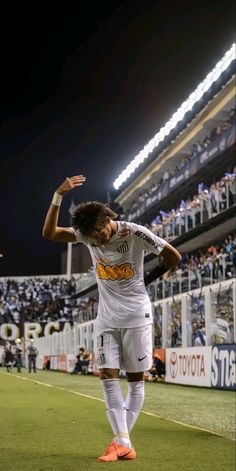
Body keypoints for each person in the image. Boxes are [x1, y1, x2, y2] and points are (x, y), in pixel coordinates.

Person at [42, 175, 181, 462]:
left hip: (136, 315)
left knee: (135, 381)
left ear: (107, 221)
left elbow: (173, 256)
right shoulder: (87, 233)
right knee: (107, 375)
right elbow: (50, 233)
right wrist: (57, 196)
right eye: (91, 239)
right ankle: (122, 442)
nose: (96, 242)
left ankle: (121, 442)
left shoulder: (135, 233)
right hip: (106, 318)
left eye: (99, 236)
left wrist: (150, 279)